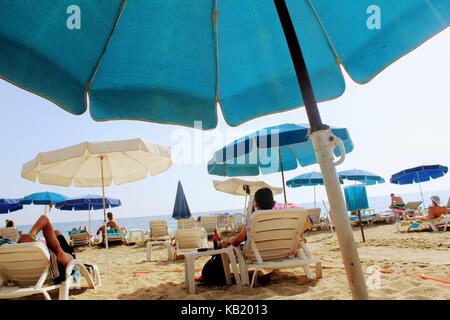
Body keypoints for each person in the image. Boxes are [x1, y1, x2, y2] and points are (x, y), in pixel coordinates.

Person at [0, 215, 76, 283]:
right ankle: (31, 237)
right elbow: (44, 219)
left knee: (56, 233)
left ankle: (32, 238)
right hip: (60, 267)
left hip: (27, 273)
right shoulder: (59, 256)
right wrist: (30, 236)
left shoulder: (5, 251)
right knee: (55, 234)